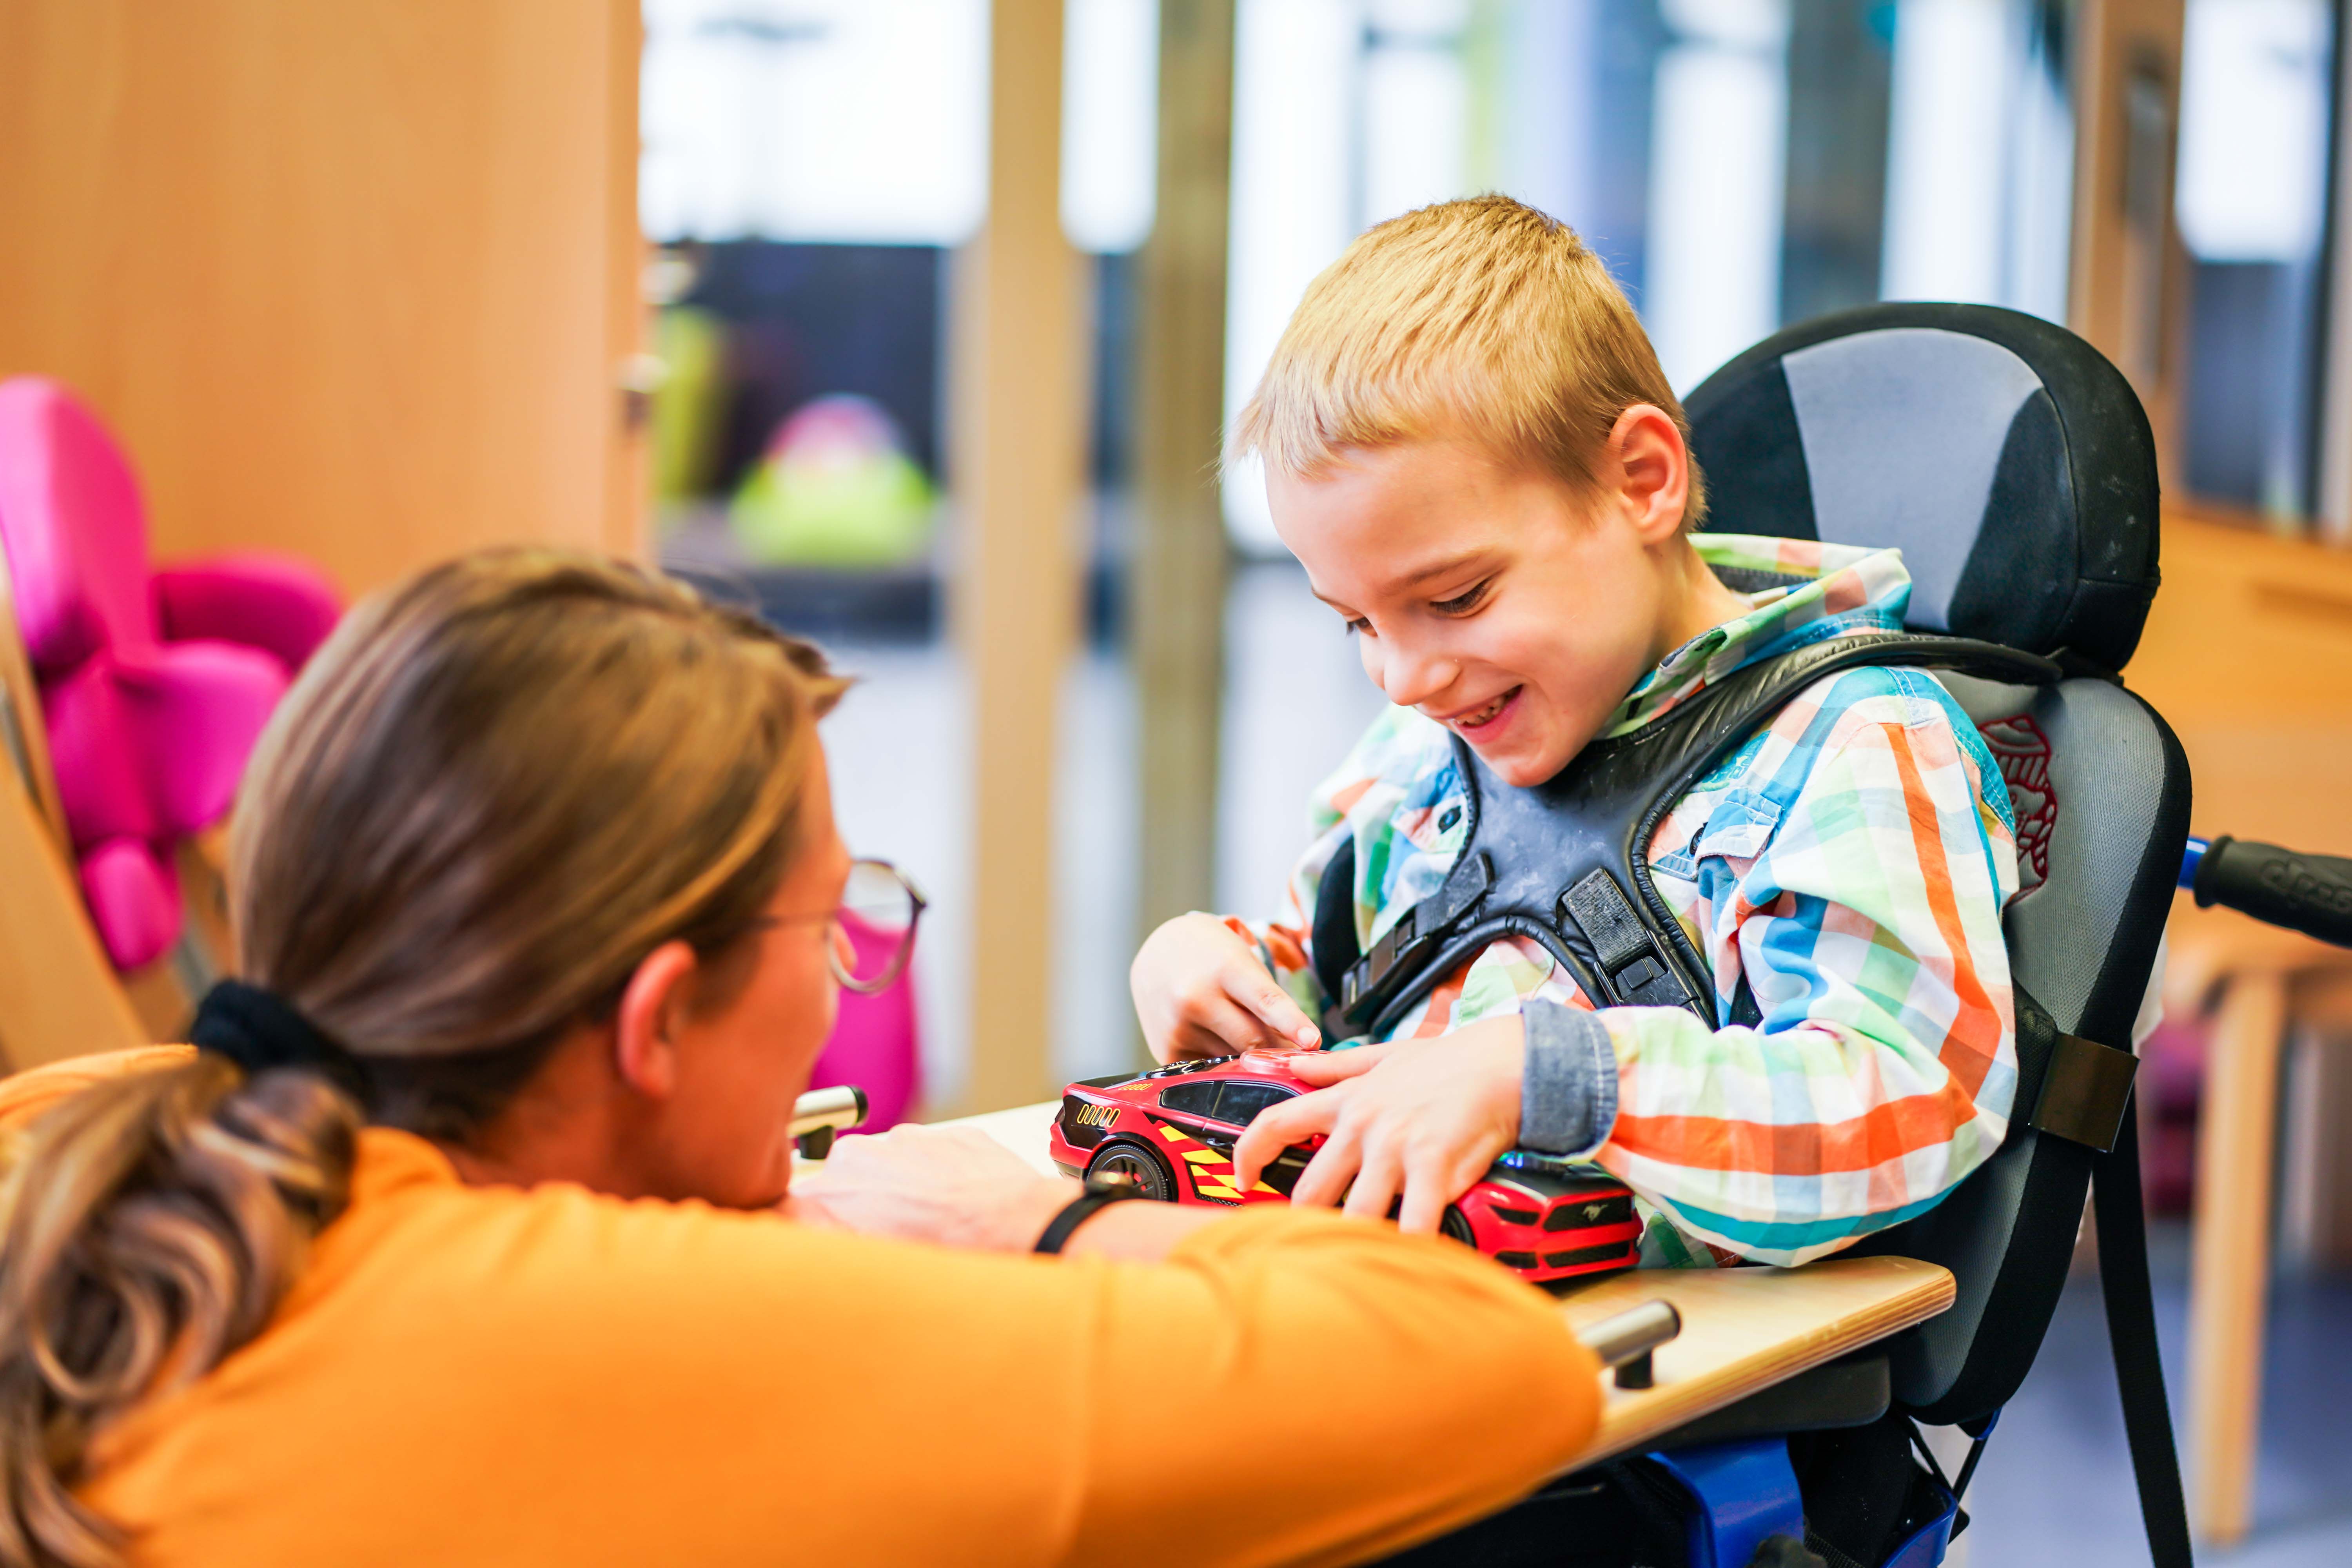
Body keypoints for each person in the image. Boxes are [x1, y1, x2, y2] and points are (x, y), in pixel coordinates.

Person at [0, 551, 1602, 1568]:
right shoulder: (615, 1336)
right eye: (831, 924)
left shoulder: (88, 1146)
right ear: (655, 1023)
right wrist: (1011, 1220)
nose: (846, 978)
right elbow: (1490, 1370)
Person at [1133, 195, 2022, 1270]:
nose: (1407, 676)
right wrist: (1205, 971)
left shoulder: (1852, 748)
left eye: (1456, 598)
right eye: (1360, 622)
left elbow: (1911, 1098)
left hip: (1656, 1405)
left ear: (1641, 482)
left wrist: (1549, 1076)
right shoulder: (1421, 760)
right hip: (1370, 1316)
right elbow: (1322, 990)